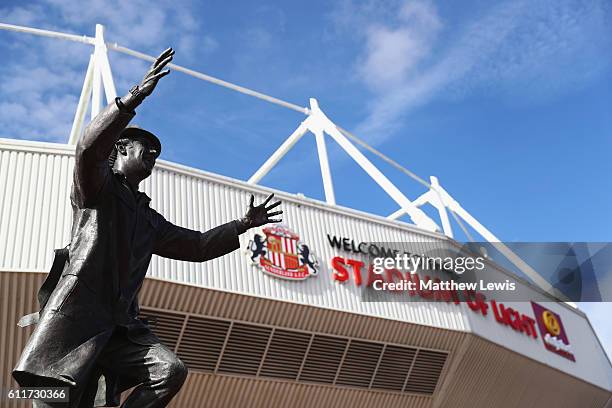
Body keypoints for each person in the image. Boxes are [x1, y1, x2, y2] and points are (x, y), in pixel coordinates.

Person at [13, 47, 282, 407]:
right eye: (147, 148)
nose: (154, 155)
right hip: (77, 322)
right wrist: (134, 97)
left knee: (169, 370)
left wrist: (242, 224)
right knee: (53, 402)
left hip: (120, 328)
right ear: (121, 148)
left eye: (157, 152)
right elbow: (88, 151)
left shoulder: (148, 218)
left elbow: (198, 246)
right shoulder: (98, 190)